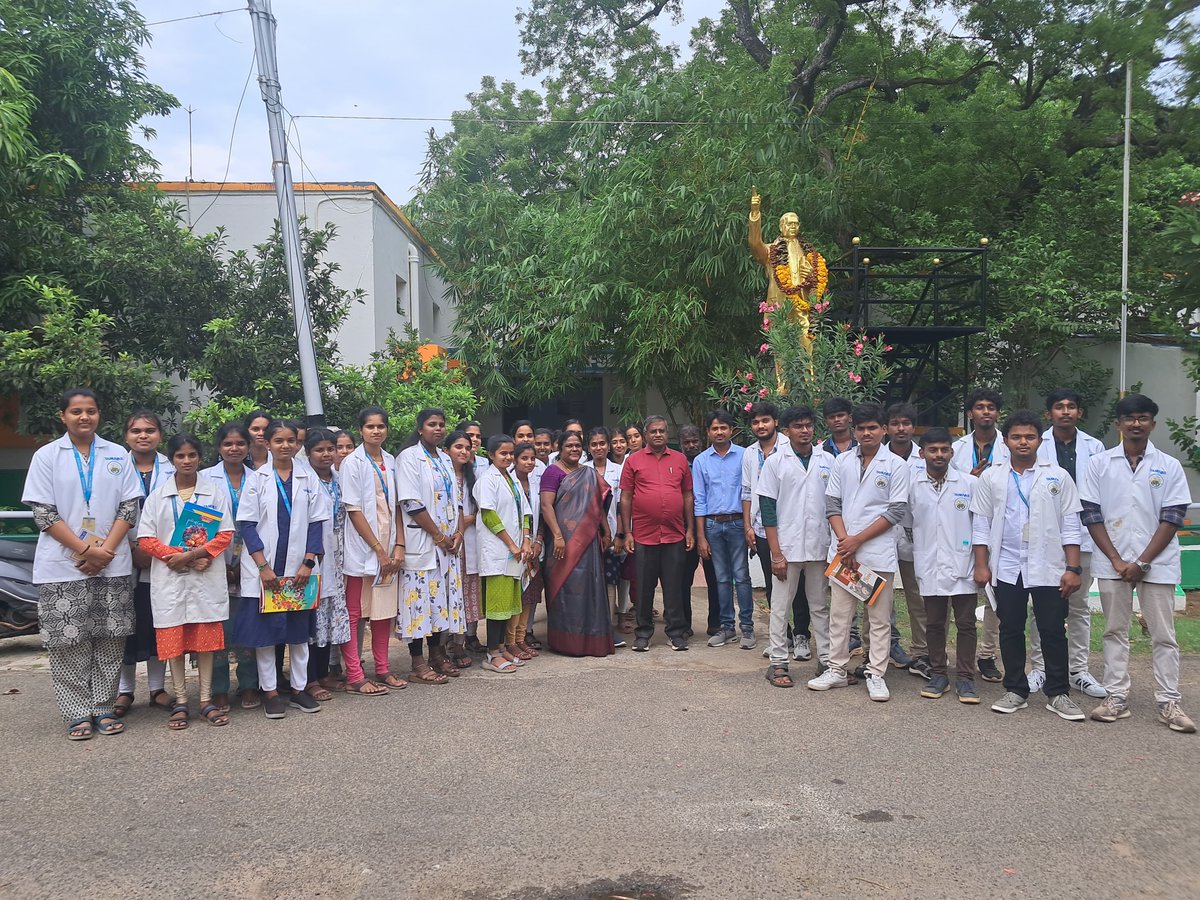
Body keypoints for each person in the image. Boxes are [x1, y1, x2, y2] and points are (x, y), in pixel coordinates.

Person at [21, 388, 142, 740]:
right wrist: (86, 551)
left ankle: (103, 707)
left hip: (112, 562)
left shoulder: (117, 454)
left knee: (110, 637)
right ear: (63, 416)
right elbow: (43, 512)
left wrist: (104, 551)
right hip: (63, 565)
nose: (84, 417)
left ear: (99, 415)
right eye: (76, 411)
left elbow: (129, 507)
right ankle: (77, 713)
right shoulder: (47, 456)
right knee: (68, 641)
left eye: (91, 411)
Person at [1082, 394, 1195, 733]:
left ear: (1152, 424)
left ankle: (1169, 702)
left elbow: (1173, 517)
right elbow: (1090, 514)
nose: (1135, 424)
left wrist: (1142, 561)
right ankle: (1116, 696)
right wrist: (1117, 559)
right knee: (1115, 630)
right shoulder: (1099, 464)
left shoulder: (1169, 466)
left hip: (1156, 562)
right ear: (1118, 424)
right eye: (1129, 418)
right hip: (1111, 561)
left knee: (1164, 634)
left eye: (1143, 418)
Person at [970, 410, 1085, 721]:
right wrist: (982, 566)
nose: (1023, 442)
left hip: (1048, 565)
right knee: (1010, 628)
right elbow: (980, 525)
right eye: (1017, 437)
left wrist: (1073, 569)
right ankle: (1016, 690)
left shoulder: (1057, 476)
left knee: (1051, 630)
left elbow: (1071, 526)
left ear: (1040, 440)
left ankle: (1058, 693)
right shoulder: (993, 477)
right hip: (1007, 565)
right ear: (1005, 441)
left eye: (1029, 437)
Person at [808, 403, 910, 702]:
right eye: (862, 428)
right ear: (855, 430)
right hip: (845, 554)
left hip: (876, 552)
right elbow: (832, 505)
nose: (867, 433)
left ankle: (876, 673)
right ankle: (837, 669)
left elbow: (896, 511)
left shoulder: (896, 465)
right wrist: (845, 541)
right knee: (840, 615)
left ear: (884, 430)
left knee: (878, 618)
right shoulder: (842, 462)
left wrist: (856, 541)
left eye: (873, 428)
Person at [137, 434, 235, 729]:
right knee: (174, 641)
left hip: (204, 576)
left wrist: (195, 554)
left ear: (200, 458)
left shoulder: (213, 492)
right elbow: (146, 538)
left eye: (192, 455)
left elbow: (225, 533)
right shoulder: (158, 496)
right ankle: (181, 700)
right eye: (180, 456)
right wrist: (180, 557)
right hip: (171, 577)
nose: (187, 461)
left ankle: (205, 700)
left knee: (205, 641)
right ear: (172, 460)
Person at [232, 419, 327, 719]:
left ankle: (299, 689)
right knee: (265, 637)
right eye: (278, 441)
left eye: (290, 441)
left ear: (298, 444)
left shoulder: (308, 477)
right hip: (267, 572)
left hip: (299, 571)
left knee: (299, 633)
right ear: (267, 443)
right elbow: (247, 524)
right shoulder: (257, 479)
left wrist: (308, 562)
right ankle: (270, 691)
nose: (285, 446)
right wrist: (262, 566)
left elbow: (316, 522)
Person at [1031, 388, 1106, 699]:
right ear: (1049, 414)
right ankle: (1039, 668)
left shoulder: (1095, 446)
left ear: (1079, 413)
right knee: (1041, 608)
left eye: (1071, 407)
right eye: (1058, 407)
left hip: (1084, 537)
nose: (1065, 411)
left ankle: (1078, 670)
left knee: (1079, 607)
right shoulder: (1038, 444)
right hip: (1044, 537)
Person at [758, 405, 833, 687]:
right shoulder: (776, 462)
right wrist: (776, 554)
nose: (804, 431)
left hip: (818, 547)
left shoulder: (827, 461)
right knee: (780, 606)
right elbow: (767, 509)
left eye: (808, 425)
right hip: (786, 549)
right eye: (798, 426)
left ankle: (827, 660)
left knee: (819, 606)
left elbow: (835, 505)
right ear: (786, 431)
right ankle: (778, 662)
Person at [907, 428, 979, 704]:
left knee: (966, 623)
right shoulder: (913, 486)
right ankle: (938, 674)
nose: (939, 455)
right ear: (922, 452)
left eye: (944, 449)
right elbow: (907, 523)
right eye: (933, 450)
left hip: (963, 562)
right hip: (929, 562)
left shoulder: (968, 484)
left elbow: (980, 524)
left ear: (951, 452)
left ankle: (965, 678)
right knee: (934, 622)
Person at [397, 408, 465, 683]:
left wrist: (458, 533)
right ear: (420, 428)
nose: (438, 429)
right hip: (424, 543)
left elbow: (457, 500)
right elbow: (411, 503)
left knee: (442, 602)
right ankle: (417, 662)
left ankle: (437, 655)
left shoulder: (445, 459)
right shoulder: (409, 458)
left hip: (447, 546)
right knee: (418, 603)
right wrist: (439, 536)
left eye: (441, 425)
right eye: (431, 425)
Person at [339, 407, 403, 696]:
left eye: (380, 426)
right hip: (363, 552)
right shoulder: (352, 463)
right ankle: (354, 674)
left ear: (387, 429)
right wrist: (378, 550)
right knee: (355, 613)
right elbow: (354, 510)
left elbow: (398, 507)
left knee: (383, 613)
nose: (375, 431)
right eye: (369, 427)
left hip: (390, 551)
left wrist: (398, 546)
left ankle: (383, 668)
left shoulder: (391, 461)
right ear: (360, 430)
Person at [618, 415, 695, 652]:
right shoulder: (633, 461)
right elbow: (626, 497)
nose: (658, 434)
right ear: (646, 435)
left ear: (668, 432)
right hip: (643, 535)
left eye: (662, 430)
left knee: (674, 585)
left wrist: (690, 529)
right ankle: (643, 633)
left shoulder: (680, 459)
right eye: (654, 431)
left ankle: (675, 632)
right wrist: (627, 532)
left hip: (674, 534)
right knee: (643, 586)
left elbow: (687, 496)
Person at [116, 410, 175, 718]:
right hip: (122, 554)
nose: (143, 435)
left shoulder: (172, 466)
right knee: (125, 625)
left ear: (159, 435)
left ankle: (157, 689)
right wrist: (131, 546)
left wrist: (156, 550)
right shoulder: (114, 467)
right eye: (136, 430)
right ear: (126, 436)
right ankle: (124, 692)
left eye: (149, 430)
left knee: (157, 622)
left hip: (163, 557)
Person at [202, 423, 261, 711]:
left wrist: (247, 562)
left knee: (247, 624)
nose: (234, 448)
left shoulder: (259, 478)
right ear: (219, 447)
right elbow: (198, 528)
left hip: (251, 560)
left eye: (240, 443)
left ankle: (249, 683)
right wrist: (220, 562)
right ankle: (219, 687)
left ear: (249, 447)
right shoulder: (204, 479)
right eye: (228, 444)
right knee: (219, 628)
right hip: (214, 562)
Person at [541, 431, 616, 657]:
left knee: (590, 589)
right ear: (560, 448)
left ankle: (591, 640)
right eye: (569, 446)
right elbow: (546, 506)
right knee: (566, 589)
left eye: (577, 446)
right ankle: (566, 642)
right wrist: (557, 536)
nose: (574, 449)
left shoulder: (589, 473)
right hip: (561, 542)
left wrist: (606, 529)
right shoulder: (552, 472)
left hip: (588, 541)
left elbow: (597, 505)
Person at [952, 388, 1008, 685]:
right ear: (970, 413)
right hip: (962, 529)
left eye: (991, 407)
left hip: (997, 529)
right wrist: (970, 481)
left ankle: (987, 654)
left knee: (994, 597)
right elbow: (947, 488)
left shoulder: (1008, 446)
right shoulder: (956, 449)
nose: (985, 412)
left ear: (997, 413)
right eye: (979, 407)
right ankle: (959, 657)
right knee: (961, 596)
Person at [694, 410, 755, 649]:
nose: (719, 432)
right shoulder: (701, 461)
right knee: (720, 578)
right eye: (714, 428)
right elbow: (699, 499)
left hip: (738, 522)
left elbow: (750, 492)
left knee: (741, 576)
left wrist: (749, 526)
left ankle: (747, 628)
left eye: (723, 428)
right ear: (708, 432)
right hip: (712, 524)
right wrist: (701, 537)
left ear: (731, 430)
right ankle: (727, 627)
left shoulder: (744, 456)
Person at [475, 435, 530, 673]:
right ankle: (492, 654)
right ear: (491, 455)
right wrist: (512, 544)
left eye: (510, 453)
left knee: (509, 604)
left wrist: (526, 540)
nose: (508, 457)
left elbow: (525, 512)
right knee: (497, 607)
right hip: (498, 552)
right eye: (503, 454)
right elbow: (489, 516)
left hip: (515, 552)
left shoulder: (511, 479)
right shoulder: (487, 479)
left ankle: (501, 648)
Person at [304, 429, 351, 699]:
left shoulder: (338, 479)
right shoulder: (305, 481)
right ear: (308, 453)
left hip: (338, 554)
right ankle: (309, 679)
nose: (326, 454)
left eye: (330, 449)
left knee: (329, 615)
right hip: (313, 555)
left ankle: (324, 673)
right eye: (319, 450)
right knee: (313, 616)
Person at [884, 402, 927, 676]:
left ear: (913, 427)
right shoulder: (874, 456)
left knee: (918, 598)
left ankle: (922, 652)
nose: (901, 429)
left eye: (906, 423)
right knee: (878, 596)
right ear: (886, 427)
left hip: (916, 537)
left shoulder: (924, 458)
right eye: (896, 423)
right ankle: (879, 648)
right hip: (881, 536)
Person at [584, 427, 627, 642]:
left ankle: (609, 627)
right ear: (588, 448)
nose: (598, 447)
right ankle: (591, 627)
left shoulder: (619, 471)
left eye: (602, 443)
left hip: (612, 536)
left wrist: (620, 534)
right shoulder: (582, 470)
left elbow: (622, 505)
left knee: (610, 580)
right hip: (587, 537)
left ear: (608, 446)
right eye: (594, 444)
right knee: (589, 580)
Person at [446, 430, 482, 663]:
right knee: (448, 594)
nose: (464, 451)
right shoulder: (442, 475)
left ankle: (460, 643)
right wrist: (462, 521)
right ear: (447, 450)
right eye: (458, 447)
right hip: (448, 543)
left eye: (467, 448)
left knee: (467, 594)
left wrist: (468, 519)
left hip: (468, 545)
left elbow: (480, 508)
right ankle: (443, 645)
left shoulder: (473, 477)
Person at [678, 425, 718, 637]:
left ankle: (716, 623)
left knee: (715, 575)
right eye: (687, 442)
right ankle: (684, 624)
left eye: (694, 441)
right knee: (684, 577)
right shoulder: (676, 463)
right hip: (684, 527)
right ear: (680, 443)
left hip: (710, 524)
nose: (691, 445)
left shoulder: (709, 461)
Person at [513, 442, 546, 655]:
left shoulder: (536, 482)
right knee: (515, 596)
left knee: (530, 595)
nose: (529, 462)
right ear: (515, 460)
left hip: (534, 548)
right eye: (524, 458)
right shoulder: (509, 481)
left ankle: (522, 636)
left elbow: (543, 514)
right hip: (515, 548)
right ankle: (511, 640)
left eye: (532, 458)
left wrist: (539, 541)